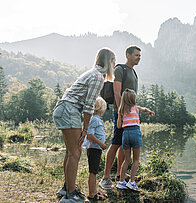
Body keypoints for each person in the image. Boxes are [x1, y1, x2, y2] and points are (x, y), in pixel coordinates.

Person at [53, 48, 115, 202]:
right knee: (75, 152)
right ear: (109, 62)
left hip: (64, 108)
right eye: (114, 61)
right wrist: (85, 128)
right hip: (69, 110)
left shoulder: (92, 73)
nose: (115, 64)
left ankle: (67, 188)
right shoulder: (98, 77)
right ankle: (71, 194)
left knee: (70, 152)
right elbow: (88, 106)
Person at [99, 46, 141, 189]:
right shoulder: (120, 69)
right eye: (136, 55)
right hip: (121, 112)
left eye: (139, 55)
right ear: (127, 55)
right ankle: (105, 178)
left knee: (124, 144)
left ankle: (119, 175)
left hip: (129, 114)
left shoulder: (133, 72)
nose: (139, 57)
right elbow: (117, 93)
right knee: (116, 142)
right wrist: (120, 114)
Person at [116, 88, 154, 191]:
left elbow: (119, 126)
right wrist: (150, 112)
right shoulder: (136, 108)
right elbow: (144, 109)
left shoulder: (121, 110)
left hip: (125, 134)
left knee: (126, 159)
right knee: (136, 159)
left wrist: (122, 119)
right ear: (133, 99)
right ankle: (131, 182)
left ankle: (121, 182)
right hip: (135, 133)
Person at [82, 97, 108, 201]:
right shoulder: (94, 119)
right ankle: (92, 194)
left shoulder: (96, 119)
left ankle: (95, 191)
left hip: (96, 148)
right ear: (101, 108)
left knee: (95, 171)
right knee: (93, 172)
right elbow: (90, 135)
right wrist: (101, 143)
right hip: (94, 149)